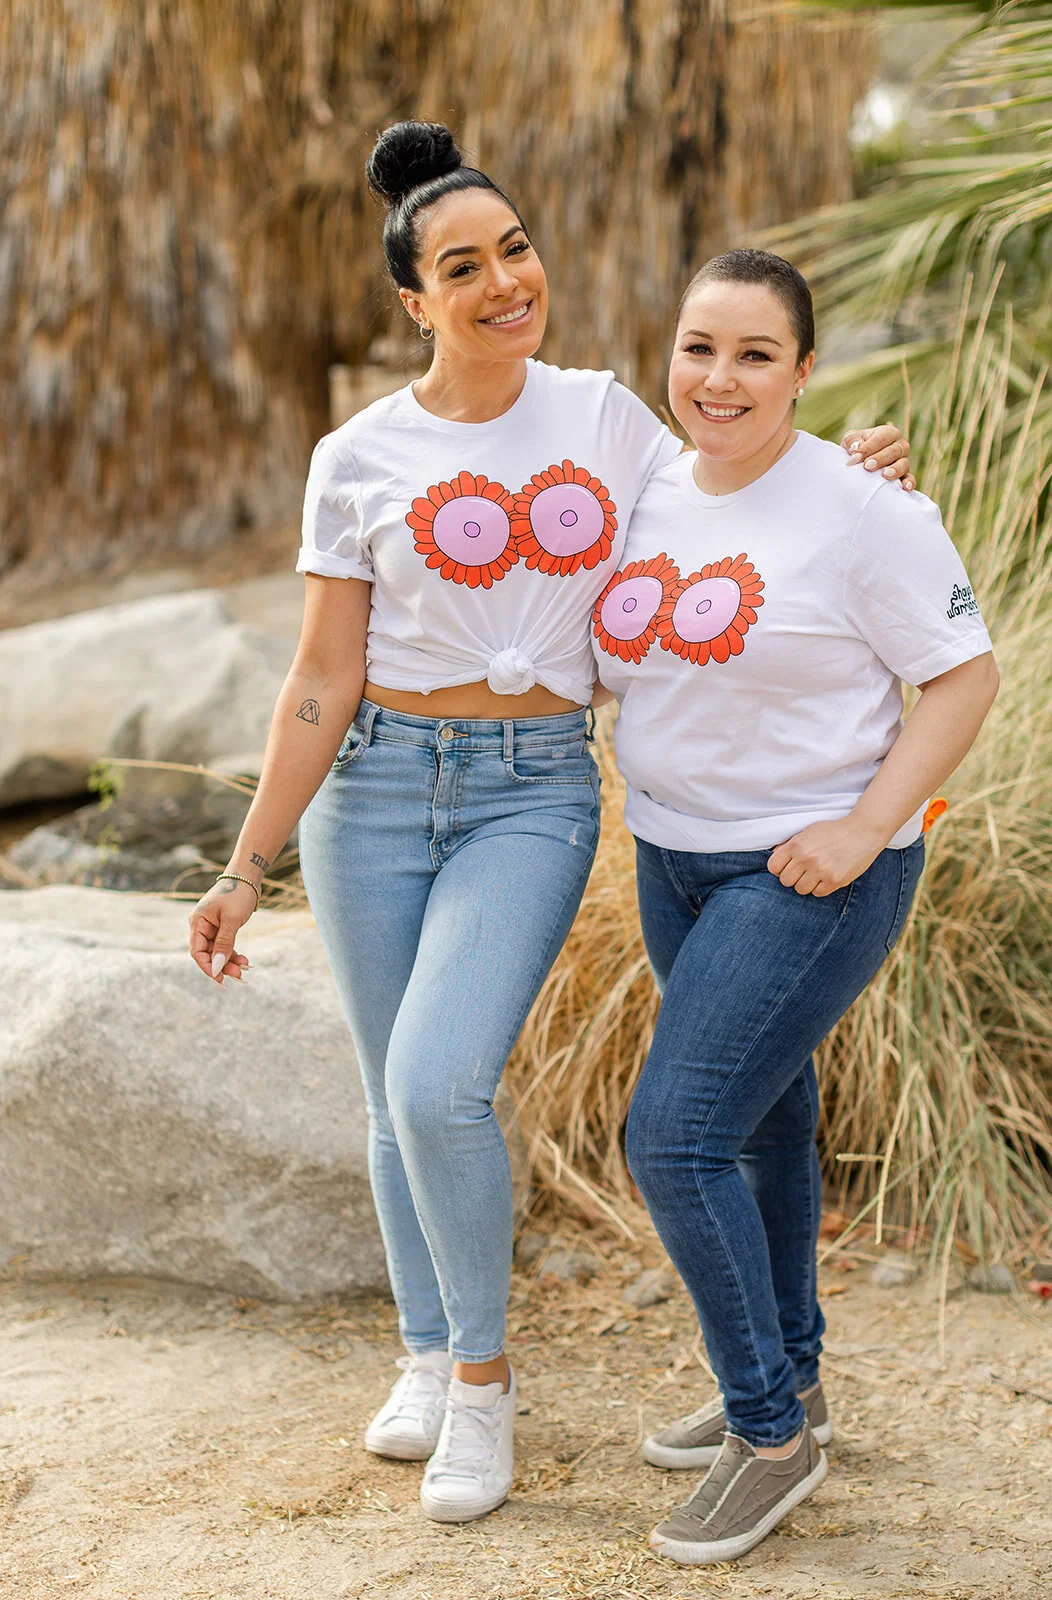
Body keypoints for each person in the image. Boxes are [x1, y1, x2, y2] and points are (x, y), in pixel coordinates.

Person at [186, 123, 913, 1527]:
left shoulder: (604, 419)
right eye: (462, 267)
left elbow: (736, 477)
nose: (503, 281)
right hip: (373, 788)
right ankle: (426, 1348)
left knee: (439, 1082)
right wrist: (244, 865)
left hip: (531, 787)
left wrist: (854, 464)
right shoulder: (357, 455)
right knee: (390, 1093)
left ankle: (483, 1385)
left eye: (513, 250)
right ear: (414, 301)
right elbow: (321, 677)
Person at [593, 249, 998, 1566]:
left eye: (755, 354)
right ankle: (797, 1380)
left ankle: (770, 1436)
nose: (719, 378)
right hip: (672, 860)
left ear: (804, 371)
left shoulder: (865, 509)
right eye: (698, 347)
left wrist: (868, 826)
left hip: (809, 873)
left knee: (676, 1138)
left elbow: (962, 676)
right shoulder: (650, 487)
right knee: (763, 1125)